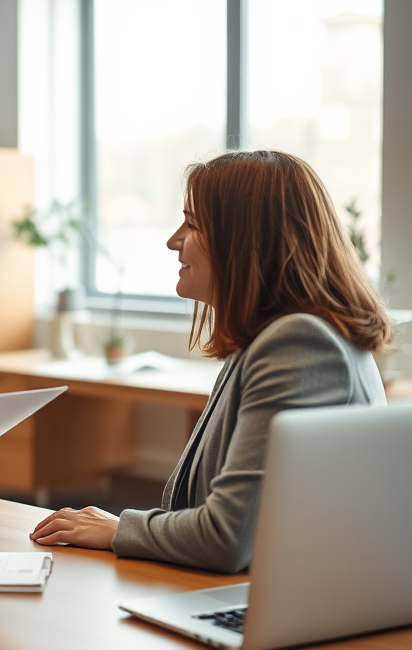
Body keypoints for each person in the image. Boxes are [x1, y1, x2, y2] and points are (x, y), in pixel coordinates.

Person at [30, 149, 390, 573]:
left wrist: (116, 529)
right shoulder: (262, 338)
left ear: (245, 240)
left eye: (193, 223)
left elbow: (227, 538)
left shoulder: (299, 342)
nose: (172, 240)